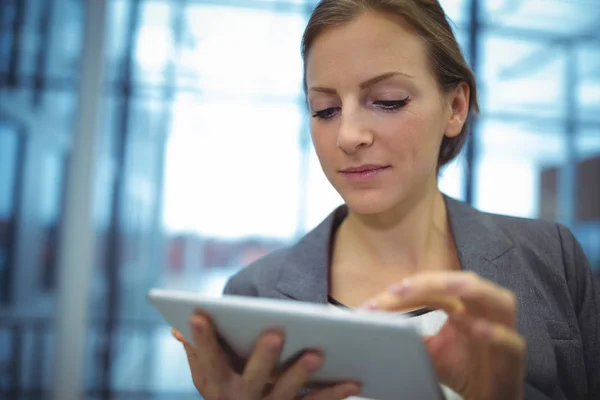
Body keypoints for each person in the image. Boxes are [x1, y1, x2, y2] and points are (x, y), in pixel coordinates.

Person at [171, 0, 600, 399]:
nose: (348, 136)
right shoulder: (252, 296)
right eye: (325, 109)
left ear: (454, 107)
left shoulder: (553, 259)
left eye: (388, 101)